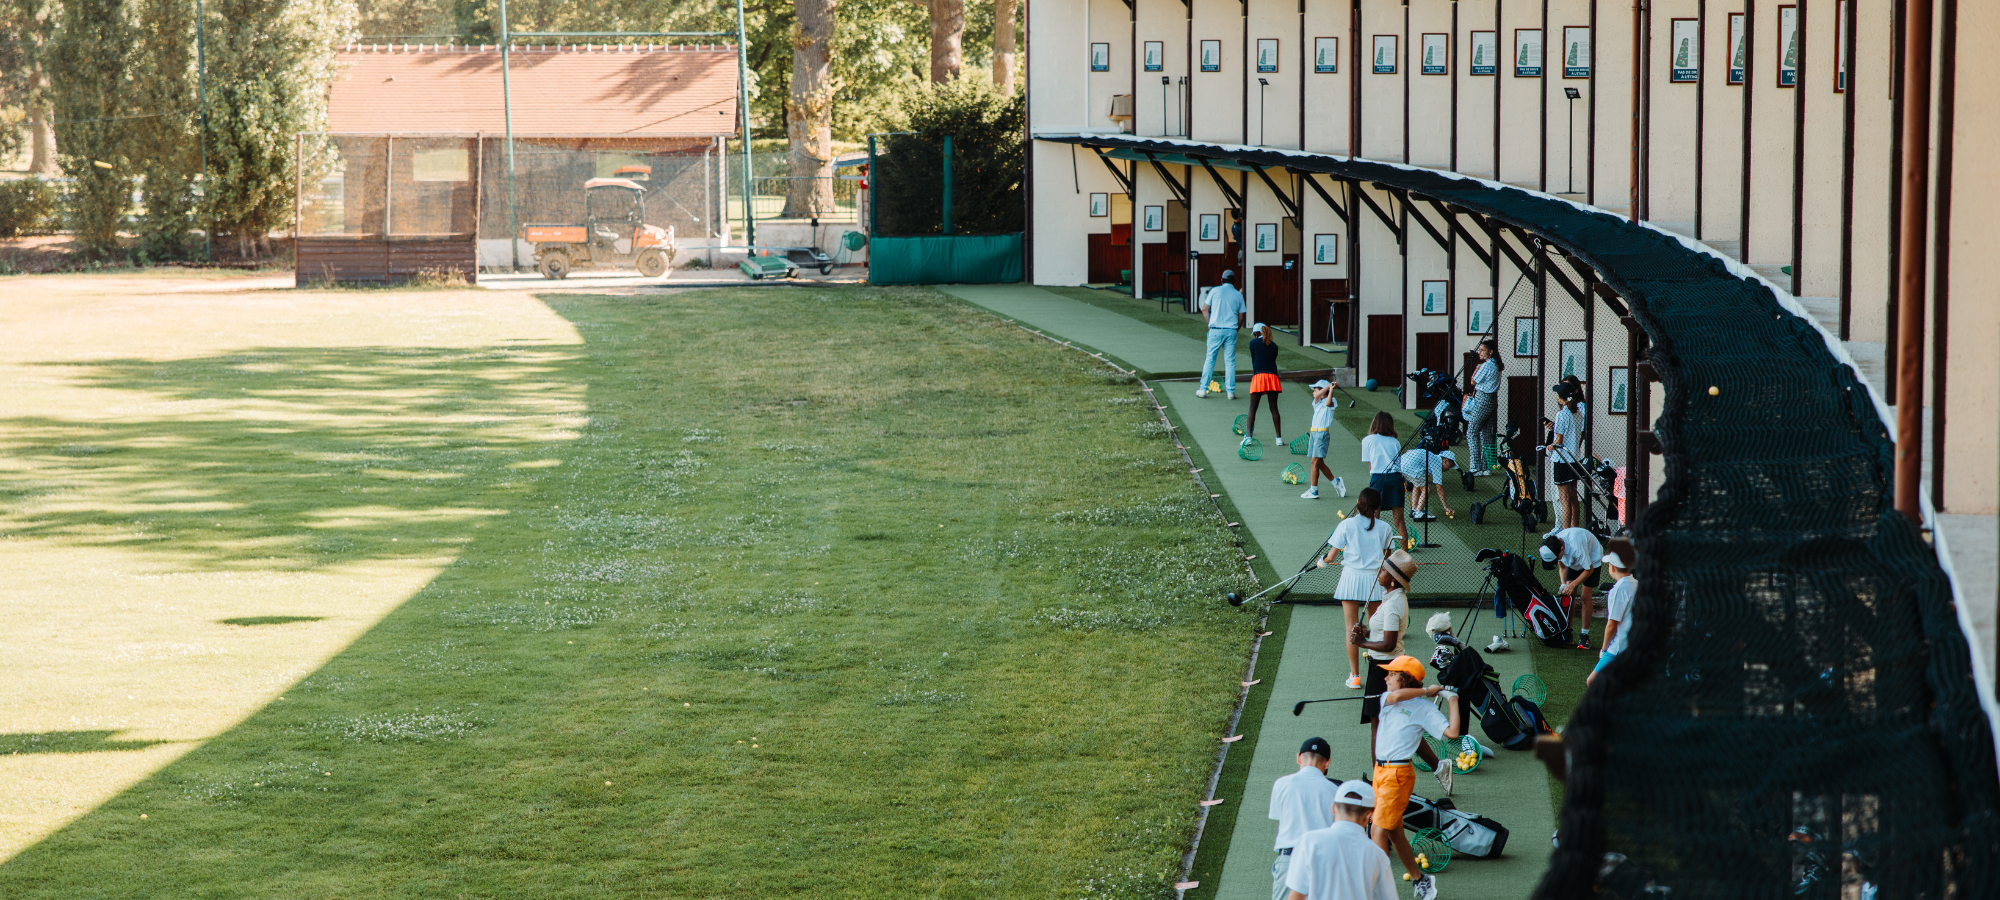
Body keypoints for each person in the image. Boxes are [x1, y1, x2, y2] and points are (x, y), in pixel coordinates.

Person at [1349, 550, 1449, 793]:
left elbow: (1389, 644)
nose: (1380, 573)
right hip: (1388, 665)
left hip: (1385, 668)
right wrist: (1367, 632)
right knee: (1404, 721)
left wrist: (1362, 642)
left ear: (1393, 579)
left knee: (1377, 723)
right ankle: (1438, 766)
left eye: (1384, 570)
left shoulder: (1394, 603)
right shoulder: (1391, 597)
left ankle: (1378, 781)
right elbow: (1383, 635)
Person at [1371, 655, 1461, 900]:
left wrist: (1452, 699)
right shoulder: (1387, 698)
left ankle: (1378, 892)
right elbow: (1398, 697)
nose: (1386, 678)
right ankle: (1421, 879)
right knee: (1394, 832)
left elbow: (1452, 732)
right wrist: (1426, 690)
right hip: (1380, 772)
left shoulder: (1425, 709)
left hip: (1398, 775)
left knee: (1378, 832)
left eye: (1392, 674)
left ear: (1405, 678)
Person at [1320, 487, 1397, 689]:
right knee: (1376, 628)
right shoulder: (1385, 527)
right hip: (1375, 581)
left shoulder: (1346, 524)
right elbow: (1388, 559)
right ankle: (1378, 675)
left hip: (1351, 579)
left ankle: (1355, 677)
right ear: (1377, 507)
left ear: (1358, 502)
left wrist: (1322, 561)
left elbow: (1331, 556)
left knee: (1351, 629)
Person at [1283, 780, 1399, 900]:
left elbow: (1296, 896)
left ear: (1333, 809)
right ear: (1368, 816)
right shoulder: (1378, 855)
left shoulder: (1309, 842)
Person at [1269, 736, 1342, 900]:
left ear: (1298, 758)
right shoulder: (1335, 791)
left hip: (1289, 861)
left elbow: (1280, 816)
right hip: (1322, 863)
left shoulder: (1281, 784)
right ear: (1327, 763)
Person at [1540, 526, 1604, 650]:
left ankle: (1584, 636)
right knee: (1568, 596)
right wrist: (1564, 584)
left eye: (1557, 557)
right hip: (1574, 562)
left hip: (1592, 559)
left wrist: (1573, 584)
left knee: (1585, 596)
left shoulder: (1576, 547)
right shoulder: (1554, 544)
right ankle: (1567, 631)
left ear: (1562, 549)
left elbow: (1589, 569)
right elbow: (1563, 567)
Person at [1589, 540, 1637, 684]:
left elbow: (1612, 625)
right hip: (1635, 642)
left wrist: (1604, 649)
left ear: (1613, 567)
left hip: (1619, 645)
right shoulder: (1636, 583)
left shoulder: (1618, 590)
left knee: (1593, 681)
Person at [1197, 270, 1246, 399]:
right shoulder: (1238, 295)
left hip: (1215, 329)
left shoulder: (1214, 291)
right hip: (1231, 330)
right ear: (1234, 281)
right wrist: (1236, 329)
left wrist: (1210, 324)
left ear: (1221, 280)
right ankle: (1231, 392)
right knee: (1230, 361)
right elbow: (1241, 317)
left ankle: (1203, 390)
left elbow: (1204, 309)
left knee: (1210, 359)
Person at [1361, 412, 1409, 545]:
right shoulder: (1395, 442)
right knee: (1399, 521)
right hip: (1396, 479)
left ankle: (1374, 551)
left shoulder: (1367, 440)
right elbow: (1398, 464)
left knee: (1374, 518)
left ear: (1375, 423)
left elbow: (1370, 465)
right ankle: (1405, 555)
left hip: (1378, 479)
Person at [1545, 382, 1587, 531]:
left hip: (1562, 460)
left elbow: (1559, 441)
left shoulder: (1562, 414)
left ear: (1560, 398)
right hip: (1575, 459)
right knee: (1573, 497)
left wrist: (1549, 446)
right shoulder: (1578, 413)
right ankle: (1574, 530)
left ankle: (1565, 532)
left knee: (1564, 500)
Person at [1461, 339, 1503, 477]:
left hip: (1483, 399)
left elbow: (1473, 381)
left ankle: (1475, 467)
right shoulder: (1496, 364)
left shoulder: (1486, 366)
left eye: (1482, 350)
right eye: (1479, 350)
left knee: (1471, 432)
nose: (1480, 353)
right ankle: (1486, 467)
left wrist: (1477, 368)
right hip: (1492, 400)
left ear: (1490, 352)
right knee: (1486, 433)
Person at [1301, 380, 1345, 499]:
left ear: (1324, 392)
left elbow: (1328, 402)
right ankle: (1336, 482)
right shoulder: (1317, 402)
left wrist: (1331, 389)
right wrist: (1329, 386)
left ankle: (1313, 491)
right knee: (1319, 463)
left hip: (1322, 434)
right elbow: (1317, 396)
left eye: (1316, 390)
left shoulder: (1332, 401)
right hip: (1314, 433)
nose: (1314, 393)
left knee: (1314, 462)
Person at [1246, 323, 1285, 448]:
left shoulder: (1253, 343)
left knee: (1253, 408)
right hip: (1272, 377)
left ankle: (1248, 437)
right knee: (1274, 408)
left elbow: (1254, 361)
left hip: (1259, 376)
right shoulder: (1275, 346)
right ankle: (1279, 438)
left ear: (1256, 333)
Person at [1397, 448, 1457, 523]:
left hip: (1401, 465)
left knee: (1417, 485)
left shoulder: (1432, 457)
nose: (1448, 469)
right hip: (1410, 468)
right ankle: (1418, 513)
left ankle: (1414, 510)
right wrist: (1446, 507)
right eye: (1449, 466)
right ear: (1446, 461)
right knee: (1426, 489)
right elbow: (1439, 488)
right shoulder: (1437, 463)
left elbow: (1408, 451)